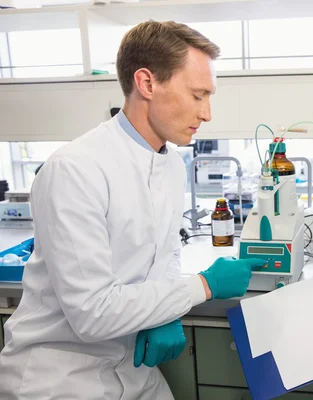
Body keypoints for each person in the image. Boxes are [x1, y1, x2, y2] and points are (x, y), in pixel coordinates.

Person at [0, 21, 265, 399]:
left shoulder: (173, 164)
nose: (207, 114)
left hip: (133, 368)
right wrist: (202, 286)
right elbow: (92, 313)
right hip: (61, 374)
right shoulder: (75, 170)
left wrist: (167, 313)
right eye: (197, 95)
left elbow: (167, 253)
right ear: (147, 83)